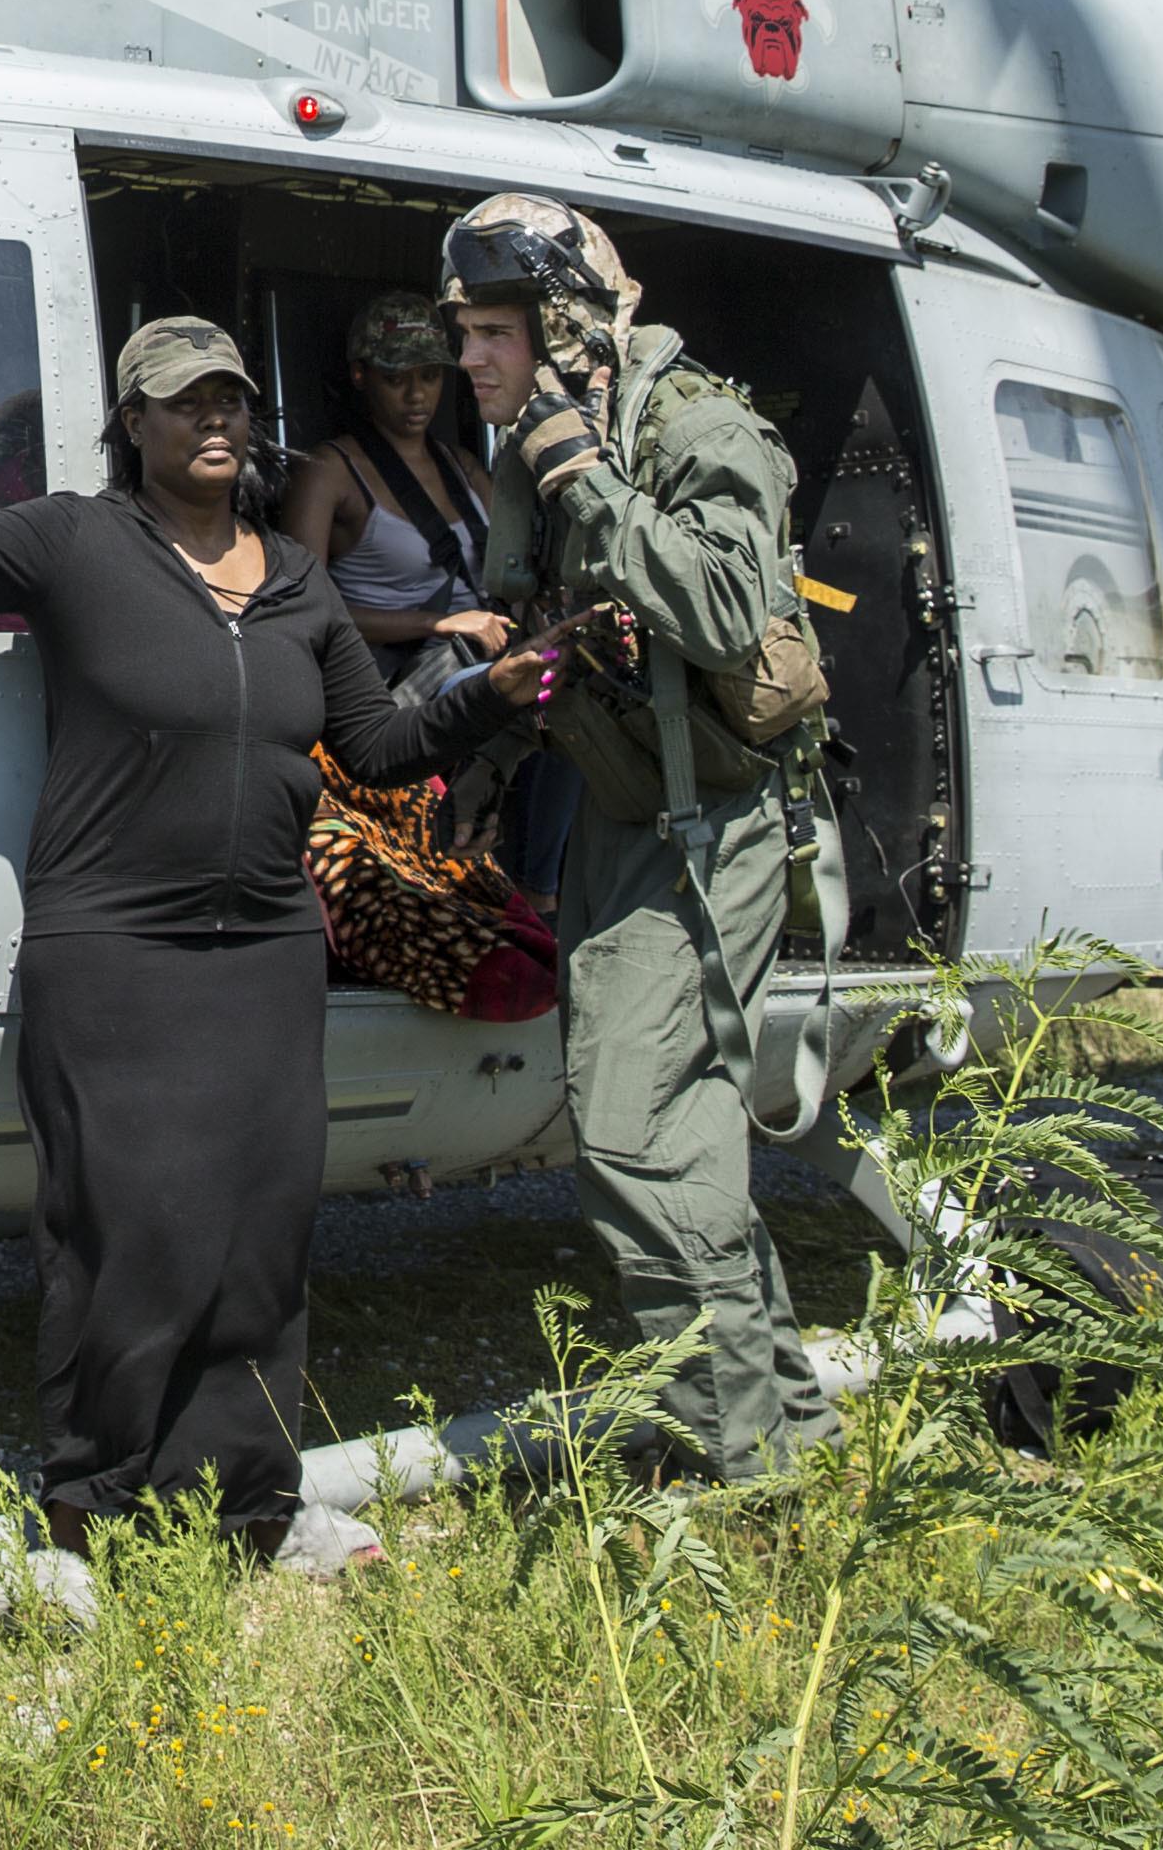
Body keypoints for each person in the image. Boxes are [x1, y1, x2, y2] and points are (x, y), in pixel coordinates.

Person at [0, 317, 523, 1573]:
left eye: (230, 398)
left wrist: (491, 695)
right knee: (129, 1237)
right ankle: (86, 1516)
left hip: (268, 947)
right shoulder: (76, 540)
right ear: (134, 422)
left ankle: (253, 1505)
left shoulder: (297, 580)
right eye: (185, 402)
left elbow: (377, 750)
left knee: (260, 1237)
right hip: (116, 946)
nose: (214, 419)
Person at [441, 193, 832, 1479]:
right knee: (682, 1132)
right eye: (463, 333)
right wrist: (484, 763)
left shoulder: (693, 431)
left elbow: (720, 611)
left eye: (494, 332)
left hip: (710, 827)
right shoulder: (539, 448)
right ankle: (784, 1436)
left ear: (564, 334)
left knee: (638, 1130)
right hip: (624, 814)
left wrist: (587, 480)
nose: (469, 359)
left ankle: (731, 1466)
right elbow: (555, 632)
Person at [275, 288, 512, 677]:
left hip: (485, 666)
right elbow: (302, 606)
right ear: (360, 374)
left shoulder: (463, 467)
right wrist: (435, 623)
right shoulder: (329, 471)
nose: (416, 395)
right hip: (399, 686)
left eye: (430, 376)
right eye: (395, 378)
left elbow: (514, 568)